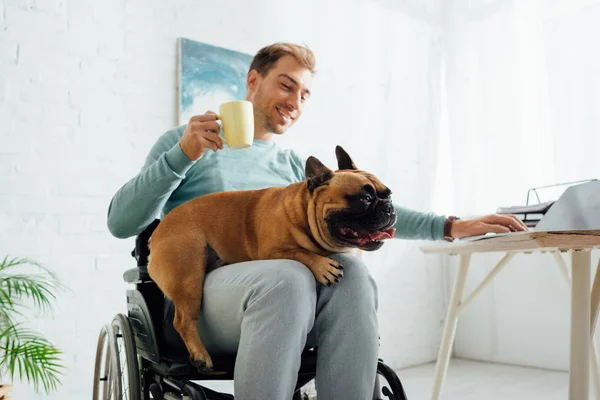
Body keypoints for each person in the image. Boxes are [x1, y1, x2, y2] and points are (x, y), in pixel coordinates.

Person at [107, 42, 527, 399]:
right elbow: (122, 221)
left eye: (305, 94)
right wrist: (183, 153)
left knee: (353, 272)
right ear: (253, 81)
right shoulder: (188, 141)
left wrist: (454, 226)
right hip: (211, 295)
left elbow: (362, 206)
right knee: (287, 276)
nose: (295, 100)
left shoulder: (297, 167)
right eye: (286, 85)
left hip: (288, 303)